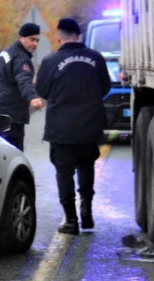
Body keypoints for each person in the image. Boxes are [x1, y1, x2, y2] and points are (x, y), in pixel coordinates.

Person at [33, 18, 111, 235]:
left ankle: (70, 219)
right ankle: (87, 211)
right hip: (90, 125)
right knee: (86, 166)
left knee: (64, 173)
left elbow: (42, 92)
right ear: (78, 35)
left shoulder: (50, 61)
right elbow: (104, 86)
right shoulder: (96, 58)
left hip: (62, 128)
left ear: (59, 37)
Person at [0, 23, 41, 151]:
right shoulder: (21, 58)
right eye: (32, 39)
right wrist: (32, 97)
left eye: (37, 40)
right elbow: (23, 79)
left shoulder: (4, 52)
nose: (35, 44)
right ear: (21, 37)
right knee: (14, 157)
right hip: (11, 116)